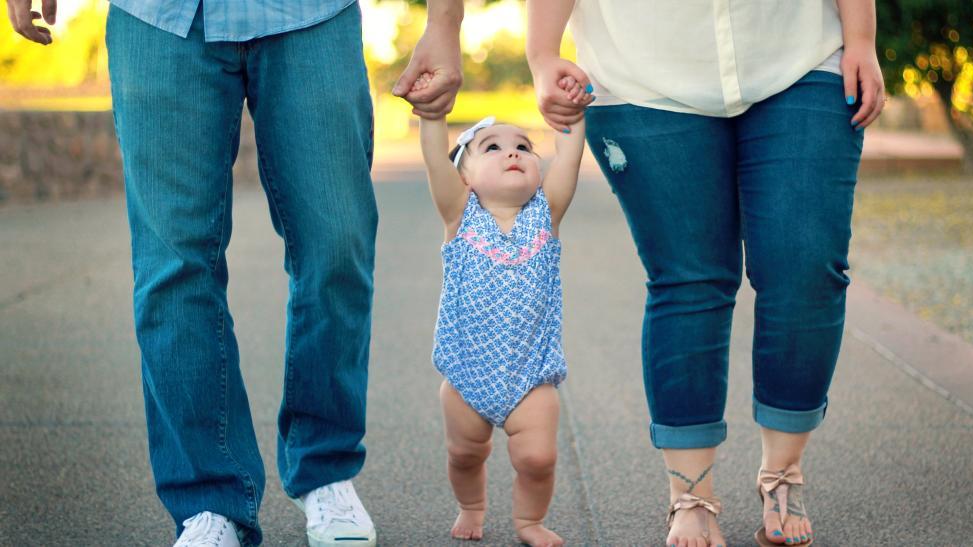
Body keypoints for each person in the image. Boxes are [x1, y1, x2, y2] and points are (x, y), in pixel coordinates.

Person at [5, 0, 461, 545]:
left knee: (337, 245)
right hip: (159, 18)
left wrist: (445, 21)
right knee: (172, 267)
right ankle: (208, 499)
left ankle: (326, 469)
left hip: (311, 15)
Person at [526, 1, 885, 546]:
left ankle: (783, 473)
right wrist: (541, 54)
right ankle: (690, 495)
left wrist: (860, 37)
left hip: (801, 53)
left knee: (805, 267)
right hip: (640, 73)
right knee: (689, 280)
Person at [415, 70, 590, 546]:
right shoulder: (460, 217)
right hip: (466, 374)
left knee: (538, 458)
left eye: (524, 147)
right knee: (465, 454)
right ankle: (471, 505)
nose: (513, 153)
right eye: (492, 147)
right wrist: (432, 115)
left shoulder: (546, 216)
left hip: (530, 375)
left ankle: (529, 520)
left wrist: (571, 117)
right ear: (465, 177)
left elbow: (569, 159)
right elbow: (434, 159)